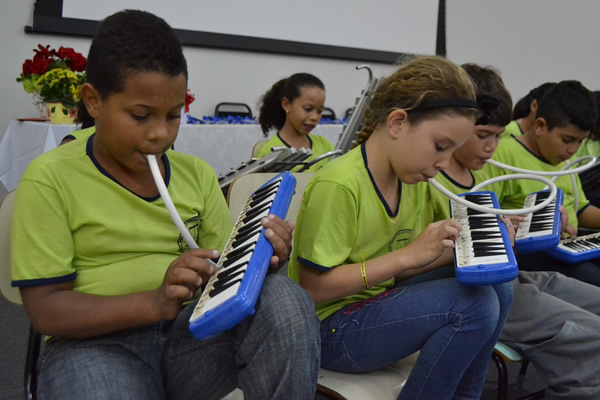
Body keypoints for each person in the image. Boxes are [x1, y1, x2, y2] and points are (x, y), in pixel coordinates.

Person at [10, 9, 320, 400]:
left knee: (285, 300)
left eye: (173, 116)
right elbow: (46, 311)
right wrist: (153, 302)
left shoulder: (196, 174)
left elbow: (225, 274)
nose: (160, 134)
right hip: (93, 345)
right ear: (94, 101)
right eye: (140, 116)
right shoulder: (50, 178)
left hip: (191, 337)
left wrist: (263, 259)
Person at [288, 55, 513, 400]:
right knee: (475, 306)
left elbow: (402, 266)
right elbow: (313, 289)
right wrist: (409, 256)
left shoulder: (411, 178)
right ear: (397, 123)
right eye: (440, 147)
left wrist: (472, 248)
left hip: (375, 304)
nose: (443, 163)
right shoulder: (340, 184)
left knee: (497, 283)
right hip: (329, 328)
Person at [427, 63, 600, 399]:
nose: (492, 147)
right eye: (483, 135)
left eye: (497, 135)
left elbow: (487, 231)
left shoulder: (476, 174)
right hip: (473, 291)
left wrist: (514, 226)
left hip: (507, 279)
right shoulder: (429, 176)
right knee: (591, 339)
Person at [483, 80, 600, 285]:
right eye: (567, 140)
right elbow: (485, 217)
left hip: (571, 248)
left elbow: (580, 208)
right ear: (539, 126)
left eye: (580, 141)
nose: (573, 150)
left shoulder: (565, 162)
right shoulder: (502, 156)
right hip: (534, 256)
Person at [256, 73, 336, 172]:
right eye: (308, 109)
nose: (315, 117)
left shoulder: (325, 146)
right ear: (286, 105)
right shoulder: (269, 152)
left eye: (320, 111)